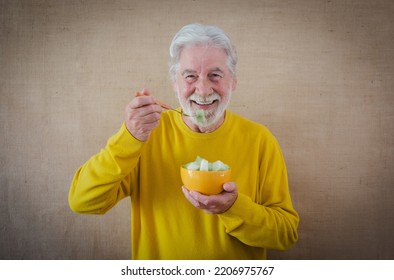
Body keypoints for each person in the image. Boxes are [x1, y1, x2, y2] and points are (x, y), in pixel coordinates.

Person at [69, 23, 299, 260]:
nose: (202, 89)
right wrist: (129, 137)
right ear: (174, 83)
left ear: (233, 81)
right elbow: (82, 202)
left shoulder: (260, 140)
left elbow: (285, 235)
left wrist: (233, 208)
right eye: (190, 76)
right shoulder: (146, 135)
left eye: (215, 75)